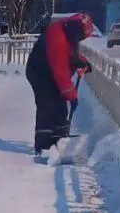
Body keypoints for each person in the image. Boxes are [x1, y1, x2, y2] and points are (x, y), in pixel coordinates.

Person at [25, 12, 94, 153]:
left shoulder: (66, 30)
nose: (80, 40)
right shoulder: (58, 38)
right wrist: (72, 96)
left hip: (49, 72)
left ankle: (59, 140)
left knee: (60, 105)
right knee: (48, 105)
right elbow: (61, 71)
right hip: (39, 73)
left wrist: (80, 60)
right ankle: (44, 146)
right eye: (82, 37)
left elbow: (69, 50)